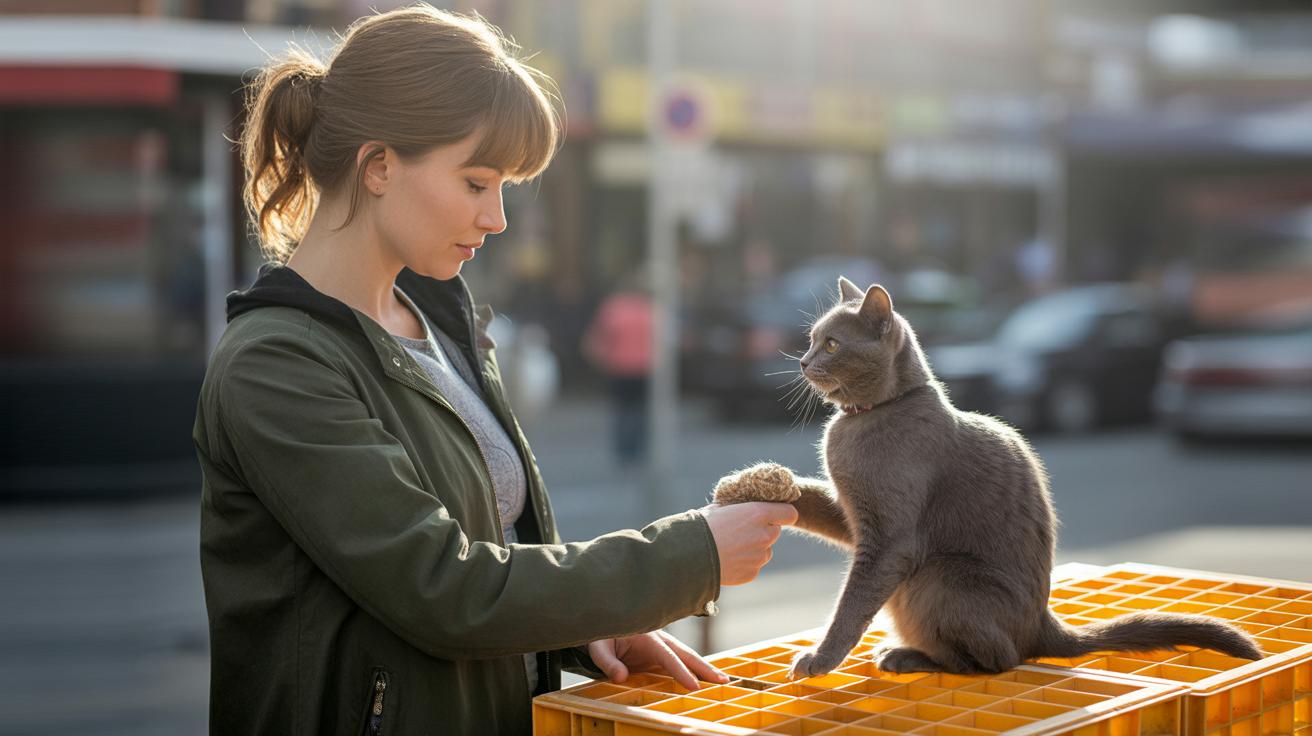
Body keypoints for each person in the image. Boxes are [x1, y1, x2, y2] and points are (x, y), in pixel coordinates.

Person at [192, 6, 797, 735]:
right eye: (478, 182)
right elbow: (442, 588)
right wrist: (689, 554)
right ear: (378, 165)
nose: (498, 217)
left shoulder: (440, 323)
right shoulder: (276, 364)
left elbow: (492, 555)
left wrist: (586, 627)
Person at [582, 271, 654, 466]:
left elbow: (597, 338)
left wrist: (600, 358)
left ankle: (624, 451)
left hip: (618, 366)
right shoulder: (651, 309)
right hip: (645, 367)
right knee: (640, 411)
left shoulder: (614, 308)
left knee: (622, 411)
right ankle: (637, 450)